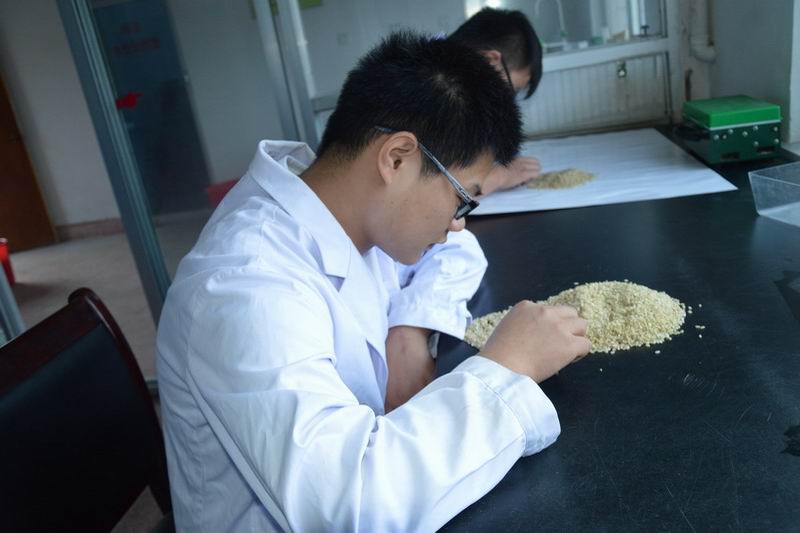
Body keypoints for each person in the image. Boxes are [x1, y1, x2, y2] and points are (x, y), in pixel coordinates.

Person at [156, 32, 590, 532]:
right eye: (462, 198)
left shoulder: (346, 212)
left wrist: (409, 328)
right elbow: (346, 507)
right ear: (397, 158)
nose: (458, 223)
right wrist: (506, 368)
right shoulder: (245, 287)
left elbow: (457, 251)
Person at [449, 8, 545, 195]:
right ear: (489, 60)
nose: (508, 101)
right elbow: (431, 196)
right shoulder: (430, 95)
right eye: (511, 90)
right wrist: (500, 176)